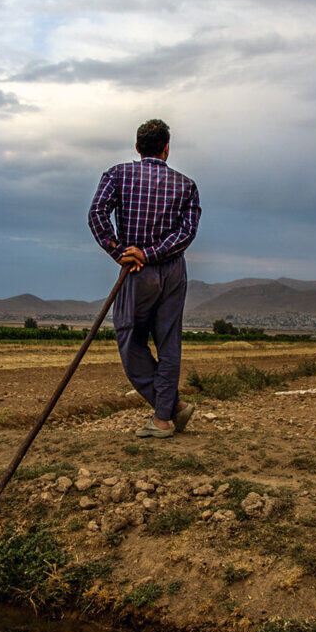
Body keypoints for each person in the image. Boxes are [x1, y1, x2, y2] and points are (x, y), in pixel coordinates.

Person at [87, 119, 201, 439]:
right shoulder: (186, 185)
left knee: (128, 335)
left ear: (138, 148)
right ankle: (170, 410)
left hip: (136, 272)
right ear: (166, 149)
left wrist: (121, 252)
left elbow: (97, 213)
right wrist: (152, 252)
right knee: (168, 341)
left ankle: (164, 415)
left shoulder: (118, 174)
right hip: (174, 270)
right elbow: (187, 233)